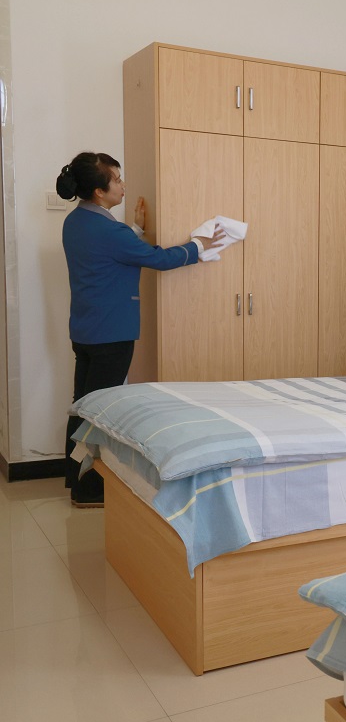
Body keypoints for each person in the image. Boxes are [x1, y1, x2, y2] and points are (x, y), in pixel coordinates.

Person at [57, 151, 223, 507]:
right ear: (100, 191)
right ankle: (89, 488)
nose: (123, 185)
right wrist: (199, 246)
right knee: (101, 413)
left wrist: (134, 229)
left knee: (82, 406)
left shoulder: (76, 222)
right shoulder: (110, 231)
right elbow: (159, 258)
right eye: (117, 180)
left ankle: (75, 480)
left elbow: (109, 257)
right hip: (112, 334)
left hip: (85, 330)